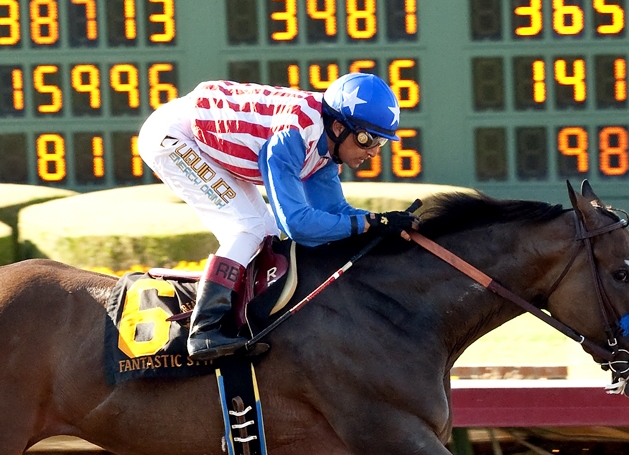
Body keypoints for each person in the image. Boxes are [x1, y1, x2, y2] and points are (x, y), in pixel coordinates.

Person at [137, 72, 419, 361]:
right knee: (249, 230)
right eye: (366, 139)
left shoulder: (325, 150)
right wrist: (370, 223)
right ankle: (204, 330)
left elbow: (334, 213)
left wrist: (380, 222)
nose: (373, 152)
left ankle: (241, 318)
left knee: (266, 233)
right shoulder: (294, 134)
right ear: (338, 126)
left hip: (201, 138)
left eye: (380, 143)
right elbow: (297, 224)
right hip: (174, 135)